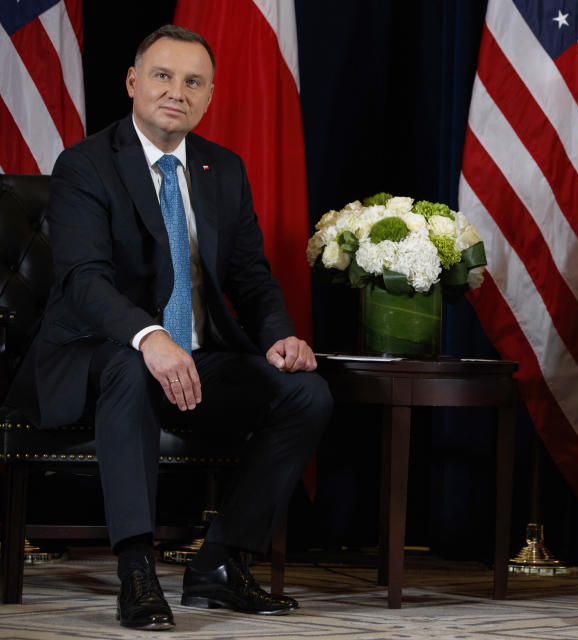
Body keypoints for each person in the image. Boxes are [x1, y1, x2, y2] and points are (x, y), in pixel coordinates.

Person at [5, 25, 332, 630]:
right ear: (132, 83)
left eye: (193, 82)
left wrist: (278, 336)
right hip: (97, 353)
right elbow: (83, 278)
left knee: (305, 392)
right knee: (132, 366)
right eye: (162, 75)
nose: (175, 91)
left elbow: (252, 279)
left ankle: (219, 563)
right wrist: (149, 336)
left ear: (208, 96)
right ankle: (136, 570)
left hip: (199, 357)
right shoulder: (85, 164)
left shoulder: (223, 169)